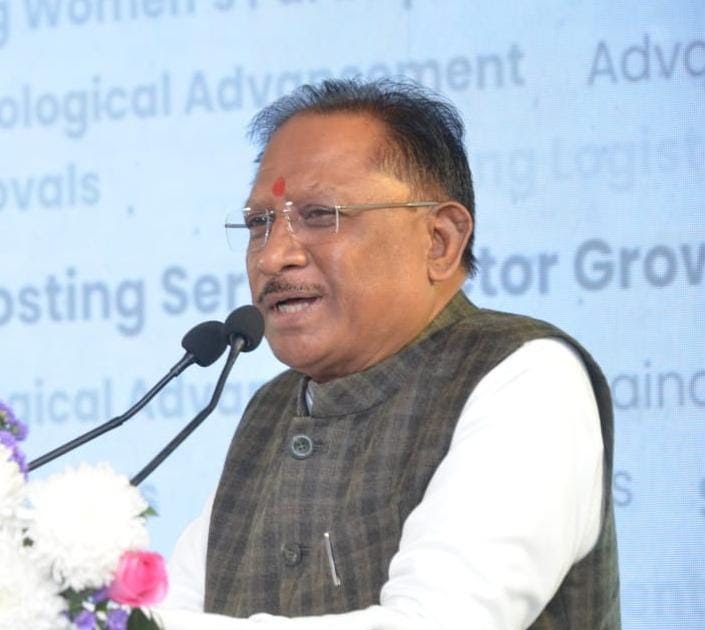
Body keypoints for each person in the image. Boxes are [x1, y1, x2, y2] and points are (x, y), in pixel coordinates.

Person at [156, 79, 621, 629]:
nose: (272, 256)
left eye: (320, 214)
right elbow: (174, 610)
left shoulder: (526, 377)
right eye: (260, 223)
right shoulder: (271, 411)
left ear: (439, 241)